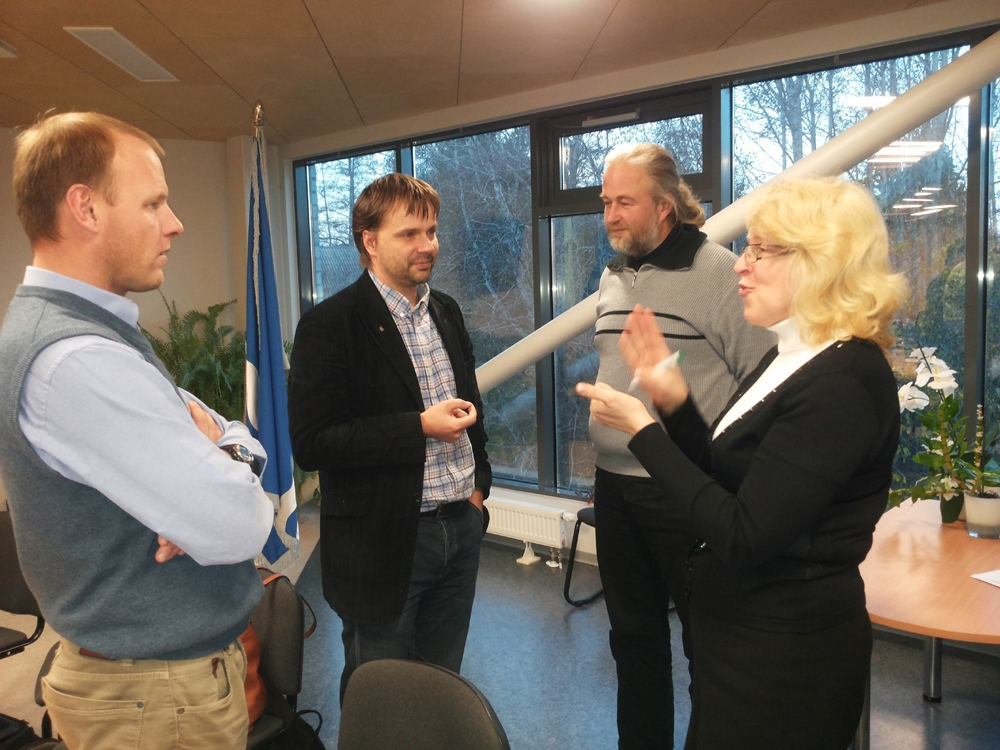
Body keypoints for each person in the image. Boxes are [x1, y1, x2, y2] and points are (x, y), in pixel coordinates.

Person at [578, 176, 905, 749]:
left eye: (760, 250)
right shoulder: (792, 354)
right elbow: (728, 471)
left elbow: (743, 533)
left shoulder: (845, 381)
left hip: (786, 654)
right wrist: (673, 400)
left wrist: (644, 432)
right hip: (740, 633)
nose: (740, 265)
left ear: (821, 263)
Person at [0, 113, 274, 750]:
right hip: (156, 699)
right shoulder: (77, 359)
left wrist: (217, 455)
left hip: (151, 685)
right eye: (153, 203)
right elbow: (241, 524)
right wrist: (220, 473)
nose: (174, 222)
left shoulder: (84, 331)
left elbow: (222, 429)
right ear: (86, 208)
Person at [591, 142, 774, 748]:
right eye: (605, 202)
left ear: (665, 206)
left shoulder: (719, 271)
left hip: (685, 492)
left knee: (707, 647)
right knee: (633, 642)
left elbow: (761, 382)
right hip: (614, 489)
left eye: (624, 202)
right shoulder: (612, 275)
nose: (610, 215)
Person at [288, 173, 492, 703]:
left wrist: (478, 495)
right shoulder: (330, 325)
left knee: (440, 689)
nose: (428, 245)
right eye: (410, 234)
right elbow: (314, 441)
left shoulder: (445, 310)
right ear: (370, 241)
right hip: (382, 543)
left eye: (433, 231)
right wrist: (417, 427)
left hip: (459, 529)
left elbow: (472, 407)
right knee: (380, 699)